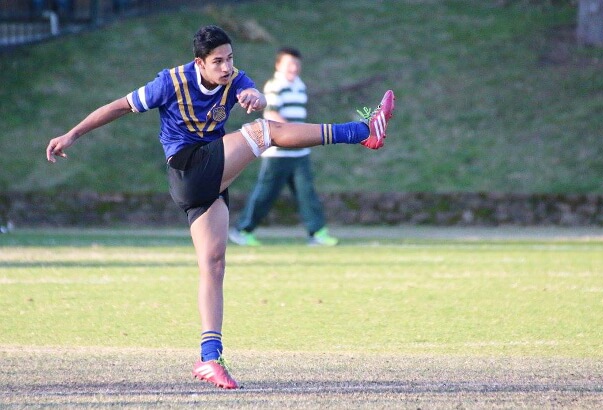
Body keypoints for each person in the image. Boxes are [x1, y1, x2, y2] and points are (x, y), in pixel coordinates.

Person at [45, 25, 395, 390]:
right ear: (200, 63)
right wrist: (72, 134)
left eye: (230, 58)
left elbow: (250, 91)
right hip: (187, 170)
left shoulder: (234, 77)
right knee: (264, 132)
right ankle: (361, 132)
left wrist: (255, 96)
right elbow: (118, 106)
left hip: (210, 176)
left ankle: (209, 358)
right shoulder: (170, 82)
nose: (226, 67)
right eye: (218, 62)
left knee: (213, 265)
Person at [229, 47, 338, 247]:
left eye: (297, 64)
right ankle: (242, 230)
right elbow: (272, 116)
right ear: (279, 65)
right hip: (278, 152)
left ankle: (317, 233)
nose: (294, 68)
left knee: (307, 193)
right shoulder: (274, 86)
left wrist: (303, 138)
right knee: (265, 194)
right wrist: (292, 134)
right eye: (289, 64)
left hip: (300, 152)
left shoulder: (299, 86)